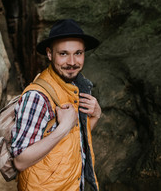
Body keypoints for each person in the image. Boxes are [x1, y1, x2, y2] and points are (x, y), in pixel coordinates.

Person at [11, 19, 101, 190]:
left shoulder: (74, 87)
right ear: (50, 54)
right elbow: (20, 161)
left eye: (78, 53)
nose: (72, 62)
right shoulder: (37, 97)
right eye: (63, 54)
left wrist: (95, 115)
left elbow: (75, 139)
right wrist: (63, 127)